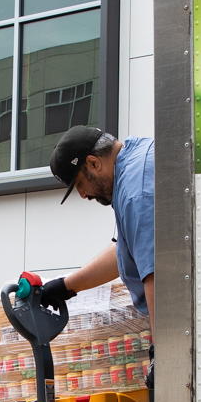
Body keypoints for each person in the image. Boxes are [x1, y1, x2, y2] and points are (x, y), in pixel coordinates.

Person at [35, 126, 156, 325]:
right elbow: (125, 251)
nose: (83, 195)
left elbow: (156, 274)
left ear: (93, 163)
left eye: (80, 184)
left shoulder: (136, 195)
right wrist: (66, 286)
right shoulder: (136, 159)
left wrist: (160, 347)